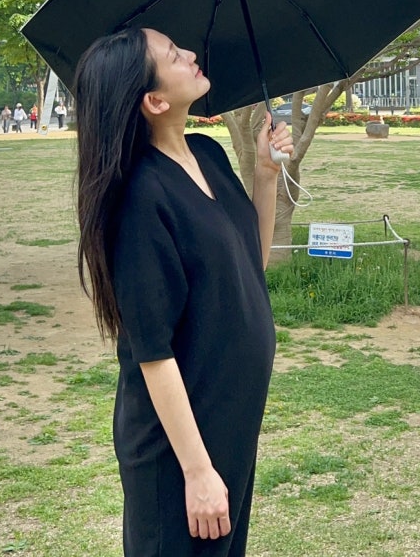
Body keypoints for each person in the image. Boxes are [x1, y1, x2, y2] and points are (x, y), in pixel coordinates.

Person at [74, 27, 293, 557]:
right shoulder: (140, 198)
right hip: (177, 446)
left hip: (228, 419)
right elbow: (153, 352)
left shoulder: (207, 154)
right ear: (155, 101)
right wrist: (196, 471)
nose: (191, 54)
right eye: (174, 55)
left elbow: (248, 265)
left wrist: (265, 175)